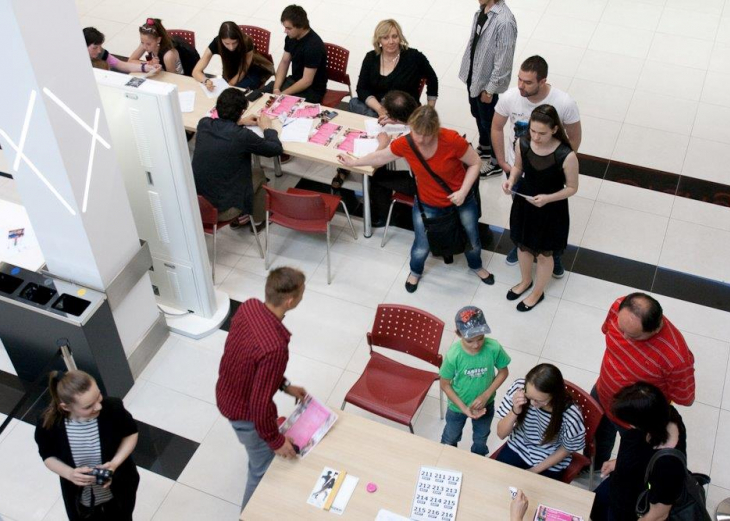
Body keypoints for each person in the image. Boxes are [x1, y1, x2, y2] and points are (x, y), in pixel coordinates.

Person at [337, 106, 494, 292]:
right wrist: (354, 162)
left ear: (435, 130)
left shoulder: (451, 140)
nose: (419, 139)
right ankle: (415, 271)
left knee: (472, 236)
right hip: (428, 203)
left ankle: (476, 266)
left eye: (425, 135)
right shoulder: (407, 142)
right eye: (416, 132)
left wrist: (463, 191)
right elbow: (381, 157)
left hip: (461, 200)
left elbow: (475, 163)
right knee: (421, 243)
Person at [215, 267, 308, 509]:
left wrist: (285, 386)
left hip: (226, 394)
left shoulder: (249, 307)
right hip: (245, 414)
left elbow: (253, 365)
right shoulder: (276, 346)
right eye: (301, 294)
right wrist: (275, 441)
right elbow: (259, 404)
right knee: (261, 470)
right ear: (289, 301)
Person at [492, 56, 582, 278]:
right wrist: (503, 161)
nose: (521, 85)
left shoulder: (564, 103)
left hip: (549, 172)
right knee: (523, 212)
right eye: (519, 79)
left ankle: (553, 255)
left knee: (550, 219)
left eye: (528, 82)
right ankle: (523, 245)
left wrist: (560, 163)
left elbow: (575, 137)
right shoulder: (510, 98)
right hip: (519, 167)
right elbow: (496, 127)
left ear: (542, 81)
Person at [591, 293, 696, 472]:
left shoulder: (676, 358)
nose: (623, 335)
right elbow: (606, 329)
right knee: (597, 437)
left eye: (632, 335)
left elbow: (686, 399)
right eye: (620, 327)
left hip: (634, 419)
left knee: (630, 459)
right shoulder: (619, 307)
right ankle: (593, 466)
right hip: (602, 392)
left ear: (655, 330)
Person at [331, 18, 439, 189]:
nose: (391, 42)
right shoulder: (371, 58)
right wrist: (381, 110)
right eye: (386, 37)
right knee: (362, 130)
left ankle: (374, 169)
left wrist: (429, 110)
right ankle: (358, 163)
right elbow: (362, 88)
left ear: (400, 37)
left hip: (403, 112)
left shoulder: (414, 57)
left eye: (395, 36)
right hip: (375, 109)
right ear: (378, 40)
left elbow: (432, 79)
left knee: (376, 134)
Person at [501, 105, 579, 312]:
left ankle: (537, 291)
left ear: (554, 129)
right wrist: (511, 181)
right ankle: (525, 280)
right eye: (533, 131)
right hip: (525, 201)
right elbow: (518, 167)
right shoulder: (523, 143)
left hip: (552, 209)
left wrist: (548, 198)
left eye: (542, 133)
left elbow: (572, 188)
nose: (535, 137)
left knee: (545, 254)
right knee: (523, 245)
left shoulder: (566, 154)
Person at [34, 370, 139, 521]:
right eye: (88, 406)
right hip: (79, 496)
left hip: (119, 487)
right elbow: (47, 454)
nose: (98, 407)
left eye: (98, 396)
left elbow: (131, 433)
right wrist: (70, 473)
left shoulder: (113, 407)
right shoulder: (48, 423)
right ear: (66, 407)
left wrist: (114, 463)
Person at [591, 382, 689, 521]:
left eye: (630, 422)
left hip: (631, 508)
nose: (628, 426)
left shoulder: (669, 467)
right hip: (617, 487)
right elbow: (642, 453)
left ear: (644, 423)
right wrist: (619, 462)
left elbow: (658, 514)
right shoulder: (663, 413)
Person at [192, 88, 283, 226]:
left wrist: (239, 122)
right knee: (258, 173)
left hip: (198, 203)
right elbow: (275, 149)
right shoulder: (242, 136)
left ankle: (248, 214)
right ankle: (257, 219)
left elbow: (222, 126)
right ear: (241, 112)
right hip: (223, 210)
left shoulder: (204, 123)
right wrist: (267, 128)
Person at [440, 306, 510, 456]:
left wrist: (486, 395)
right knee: (450, 436)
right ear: (459, 334)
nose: (476, 345)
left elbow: (503, 372)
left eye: (480, 338)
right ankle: (446, 458)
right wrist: (464, 408)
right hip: (457, 407)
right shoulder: (454, 355)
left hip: (486, 405)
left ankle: (477, 461)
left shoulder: (493, 348)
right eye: (470, 340)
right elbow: (444, 384)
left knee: (481, 439)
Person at [495, 364, 585, 480]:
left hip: (549, 458)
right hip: (518, 446)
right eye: (529, 397)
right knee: (497, 482)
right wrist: (515, 410)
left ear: (554, 396)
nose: (532, 404)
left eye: (539, 400)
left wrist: (534, 470)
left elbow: (567, 448)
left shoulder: (570, 415)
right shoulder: (518, 389)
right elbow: (501, 434)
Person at [458, 0, 517, 177]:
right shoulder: (482, 11)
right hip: (474, 76)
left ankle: (495, 161)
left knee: (490, 121)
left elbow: (504, 61)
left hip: (487, 84)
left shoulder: (505, 21)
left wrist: (490, 89)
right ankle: (484, 146)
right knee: (477, 113)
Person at [263, 5, 327, 103]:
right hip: (294, 81)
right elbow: (284, 62)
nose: (285, 31)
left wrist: (283, 94)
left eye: (289, 28)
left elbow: (307, 81)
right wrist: (276, 89)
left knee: (281, 106)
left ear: (301, 26)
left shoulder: (313, 46)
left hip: (312, 90)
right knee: (262, 94)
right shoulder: (290, 38)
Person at [192, 22, 274, 91]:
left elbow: (243, 70)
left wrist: (229, 85)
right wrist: (205, 80)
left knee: (235, 94)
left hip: (249, 72)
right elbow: (196, 71)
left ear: (239, 39)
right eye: (227, 43)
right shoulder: (217, 42)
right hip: (229, 72)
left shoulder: (246, 42)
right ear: (221, 40)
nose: (231, 47)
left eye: (234, 43)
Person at [83, 27, 161, 75]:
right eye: (95, 48)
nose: (99, 51)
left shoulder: (101, 53)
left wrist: (148, 68)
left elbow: (121, 64)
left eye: (100, 46)